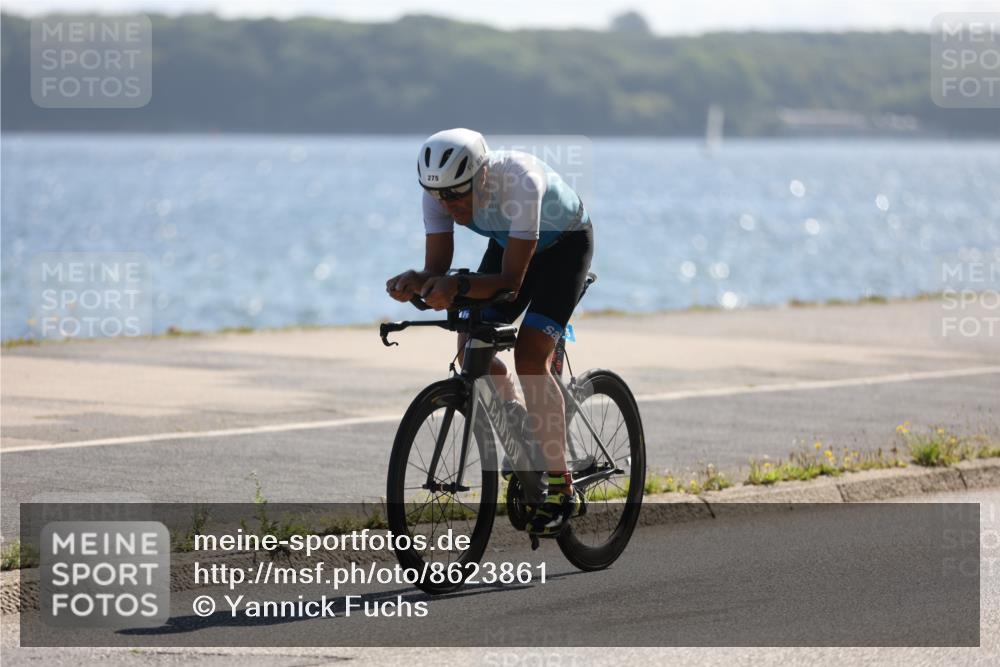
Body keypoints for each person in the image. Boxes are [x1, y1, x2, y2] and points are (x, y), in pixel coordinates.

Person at [385, 128, 594, 537]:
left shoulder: (520, 183)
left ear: (482, 176)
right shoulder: (440, 191)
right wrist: (418, 280)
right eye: (441, 196)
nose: (450, 205)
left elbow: (512, 282)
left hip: (564, 246)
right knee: (470, 344)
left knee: (530, 357)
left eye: (458, 194)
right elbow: (437, 268)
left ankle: (560, 487)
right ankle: (521, 426)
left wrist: (458, 287)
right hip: (511, 239)